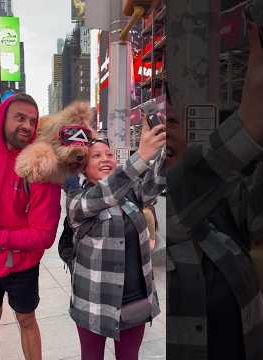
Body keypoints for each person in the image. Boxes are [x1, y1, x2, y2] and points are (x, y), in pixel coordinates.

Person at [165, 23, 263, 360]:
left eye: (168, 122)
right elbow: (179, 200)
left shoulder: (223, 210)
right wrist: (247, 124)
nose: (160, 134)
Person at [0, 93, 62, 360]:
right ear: (1, 118)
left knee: (27, 319)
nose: (27, 126)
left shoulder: (41, 168)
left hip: (22, 265)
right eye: (20, 118)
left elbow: (44, 236)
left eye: (32, 121)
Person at [65, 116, 166, 360]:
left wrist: (164, 150)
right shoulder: (78, 201)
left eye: (108, 154)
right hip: (93, 302)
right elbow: (105, 193)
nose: (105, 159)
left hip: (135, 301)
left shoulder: (130, 193)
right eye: (96, 156)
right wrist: (140, 157)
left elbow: (156, 183)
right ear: (83, 166)